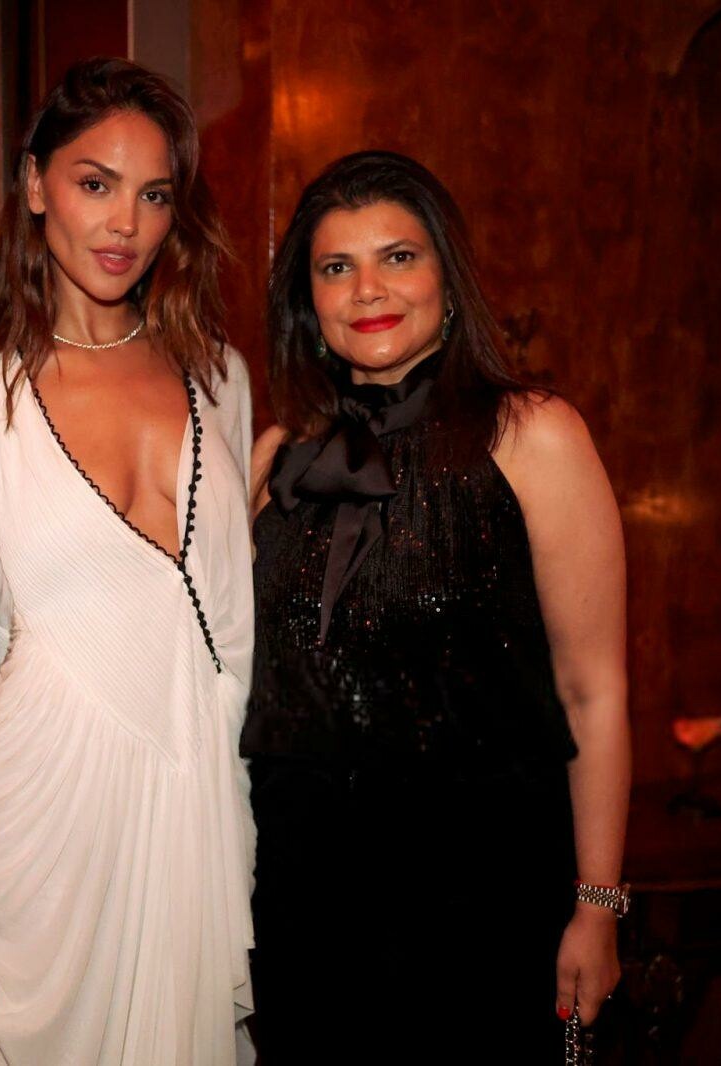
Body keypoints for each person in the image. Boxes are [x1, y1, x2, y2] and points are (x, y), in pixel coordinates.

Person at [244, 151, 630, 1061]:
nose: (367, 289)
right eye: (336, 267)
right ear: (308, 301)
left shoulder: (533, 434)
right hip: (301, 901)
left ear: (447, 281)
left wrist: (598, 905)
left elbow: (594, 691)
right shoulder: (276, 457)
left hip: (481, 901)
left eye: (398, 257)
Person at [0, 57, 257, 1066]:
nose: (125, 224)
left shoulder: (221, 379)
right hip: (40, 825)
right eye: (94, 183)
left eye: (154, 195)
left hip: (196, 802)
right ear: (33, 185)